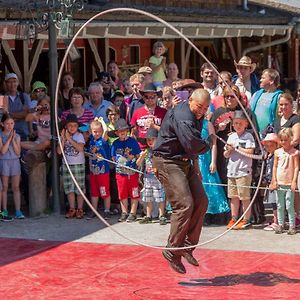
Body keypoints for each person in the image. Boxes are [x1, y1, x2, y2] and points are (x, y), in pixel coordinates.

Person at [152, 88, 211, 274]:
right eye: (199, 107)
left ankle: (187, 246)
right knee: (184, 204)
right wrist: (209, 142)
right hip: (167, 161)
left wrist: (195, 165)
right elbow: (192, 143)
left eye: (205, 108)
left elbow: (190, 147)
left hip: (183, 161)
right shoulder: (184, 115)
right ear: (190, 100)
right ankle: (173, 250)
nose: (201, 111)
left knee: (201, 201)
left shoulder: (195, 114)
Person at [224, 110, 255, 230]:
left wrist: (236, 148)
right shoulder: (231, 137)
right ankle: (234, 218)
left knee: (244, 197)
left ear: (245, 124)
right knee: (233, 196)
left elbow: (250, 152)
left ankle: (247, 219)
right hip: (231, 171)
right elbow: (225, 154)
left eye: (240, 123)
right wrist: (229, 150)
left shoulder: (248, 136)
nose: (237, 125)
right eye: (235, 123)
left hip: (243, 172)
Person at [198, 118, 230, 225]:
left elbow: (214, 143)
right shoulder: (189, 122)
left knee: (210, 186)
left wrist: (213, 161)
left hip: (205, 159)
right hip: (193, 158)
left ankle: (211, 214)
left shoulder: (208, 124)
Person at [111, 119, 141, 222]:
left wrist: (132, 158)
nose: (122, 132)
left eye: (124, 129)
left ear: (127, 130)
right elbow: (114, 158)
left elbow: (138, 156)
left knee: (134, 192)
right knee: (122, 192)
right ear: (116, 132)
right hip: (120, 173)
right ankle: (124, 212)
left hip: (132, 172)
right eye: (119, 130)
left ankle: (133, 213)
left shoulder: (133, 142)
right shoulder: (115, 144)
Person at [270, 128, 299, 235]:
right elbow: (275, 166)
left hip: (289, 184)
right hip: (279, 183)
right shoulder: (277, 152)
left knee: (289, 205)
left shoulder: (295, 153)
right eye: (281, 140)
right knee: (280, 205)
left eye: (285, 140)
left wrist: (294, 181)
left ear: (291, 139)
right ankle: (280, 224)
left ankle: (292, 225)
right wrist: (274, 180)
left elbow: (296, 168)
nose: (283, 142)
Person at [57, 114, 86, 219]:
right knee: (69, 188)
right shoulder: (63, 137)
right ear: (66, 127)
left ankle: (80, 209)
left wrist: (69, 139)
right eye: (70, 125)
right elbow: (59, 151)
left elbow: (80, 148)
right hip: (67, 165)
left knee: (80, 188)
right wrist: (64, 139)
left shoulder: (79, 136)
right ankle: (72, 208)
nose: (72, 128)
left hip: (78, 164)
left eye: (74, 125)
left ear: (77, 127)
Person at [136, 128, 167, 225]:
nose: (149, 141)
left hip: (158, 178)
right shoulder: (146, 151)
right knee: (148, 197)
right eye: (148, 139)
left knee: (160, 197)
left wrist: (158, 169)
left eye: (152, 139)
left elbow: (164, 164)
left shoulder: (161, 151)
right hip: (147, 178)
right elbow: (138, 163)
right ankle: (148, 215)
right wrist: (141, 156)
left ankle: (162, 215)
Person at [86, 118, 112, 220]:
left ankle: (107, 210)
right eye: (95, 131)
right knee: (94, 192)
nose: (97, 133)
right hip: (93, 171)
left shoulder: (103, 141)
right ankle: (94, 210)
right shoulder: (91, 141)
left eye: (99, 131)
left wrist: (102, 122)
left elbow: (106, 131)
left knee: (104, 191)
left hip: (103, 171)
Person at [0, 113, 23, 219]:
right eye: (7, 123)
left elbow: (18, 152)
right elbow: (3, 151)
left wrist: (13, 139)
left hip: (15, 162)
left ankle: (18, 210)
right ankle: (4, 210)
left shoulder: (17, 136)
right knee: (4, 187)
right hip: (4, 162)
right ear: (2, 124)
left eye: (12, 123)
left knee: (16, 187)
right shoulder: (0, 136)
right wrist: (9, 139)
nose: (10, 126)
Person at [130, 83, 167, 150]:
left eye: (153, 96)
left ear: (157, 97)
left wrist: (154, 126)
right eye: (146, 96)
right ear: (143, 97)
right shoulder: (137, 112)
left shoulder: (164, 112)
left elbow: (167, 131)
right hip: (141, 148)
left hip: (159, 148)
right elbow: (133, 132)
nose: (149, 99)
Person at [250, 68, 282, 137]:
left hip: (270, 135)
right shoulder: (256, 95)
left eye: (263, 78)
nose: (260, 80)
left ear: (271, 81)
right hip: (254, 134)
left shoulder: (279, 97)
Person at [5, 73, 31, 141]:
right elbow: (3, 117)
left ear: (18, 82)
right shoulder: (1, 98)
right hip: (6, 134)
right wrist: (20, 115)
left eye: (14, 81)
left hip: (23, 133)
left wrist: (9, 113)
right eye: (9, 82)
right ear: (5, 83)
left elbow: (27, 114)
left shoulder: (25, 96)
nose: (12, 84)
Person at [261, 133, 279, 231]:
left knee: (275, 203)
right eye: (266, 146)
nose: (268, 148)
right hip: (269, 181)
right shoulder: (268, 156)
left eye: (271, 146)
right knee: (272, 202)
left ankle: (276, 221)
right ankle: (275, 220)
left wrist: (273, 180)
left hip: (275, 182)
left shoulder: (277, 156)